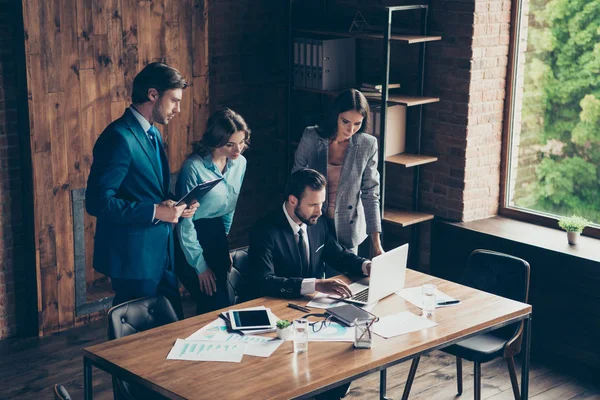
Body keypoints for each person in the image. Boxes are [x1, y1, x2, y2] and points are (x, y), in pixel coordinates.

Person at [86, 62, 198, 319]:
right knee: (138, 345)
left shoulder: (153, 134)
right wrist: (155, 212)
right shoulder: (118, 137)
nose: (178, 109)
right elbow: (97, 202)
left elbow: (150, 191)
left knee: (171, 330)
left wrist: (178, 204)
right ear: (152, 94)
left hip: (162, 253)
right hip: (133, 260)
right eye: (174, 101)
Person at [248, 168, 370, 400]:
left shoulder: (318, 223)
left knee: (347, 357)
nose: (320, 211)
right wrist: (315, 284)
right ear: (293, 200)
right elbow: (263, 281)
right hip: (279, 316)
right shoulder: (265, 230)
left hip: (313, 315)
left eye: (322, 203)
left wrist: (365, 266)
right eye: (313, 205)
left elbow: (339, 255)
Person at [175, 108, 249, 315]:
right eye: (230, 144)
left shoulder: (240, 163)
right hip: (191, 237)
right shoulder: (193, 168)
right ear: (215, 141)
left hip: (217, 234)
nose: (238, 150)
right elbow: (185, 222)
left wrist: (223, 243)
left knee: (221, 305)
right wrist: (199, 265)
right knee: (211, 302)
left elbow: (230, 205)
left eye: (241, 142)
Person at [292, 88, 383, 257]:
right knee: (316, 279)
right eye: (345, 122)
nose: (351, 130)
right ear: (335, 116)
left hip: (348, 228)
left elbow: (371, 193)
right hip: (314, 222)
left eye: (358, 124)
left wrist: (376, 244)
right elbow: (295, 182)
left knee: (344, 280)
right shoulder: (311, 136)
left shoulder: (367, 145)